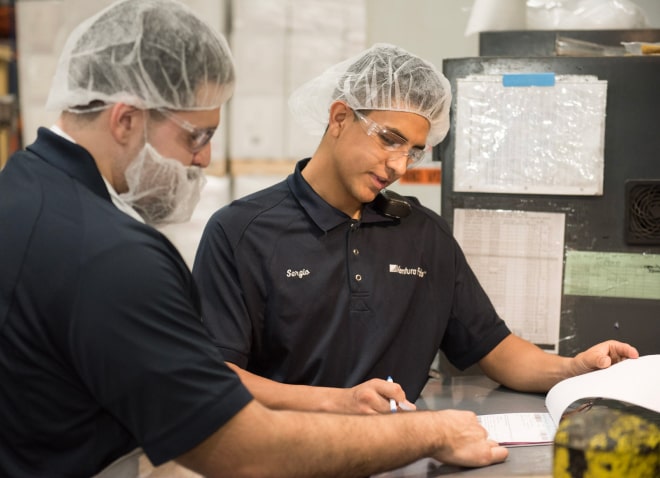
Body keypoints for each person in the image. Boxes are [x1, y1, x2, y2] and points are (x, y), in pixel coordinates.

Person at [0, 2, 512, 477]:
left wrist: (344, 403)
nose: (202, 159)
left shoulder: (20, 192)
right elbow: (243, 449)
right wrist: (427, 431)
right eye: (196, 136)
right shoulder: (112, 254)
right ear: (126, 119)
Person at [192, 43, 639, 415]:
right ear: (339, 118)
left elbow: (495, 349)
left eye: (414, 150)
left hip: (399, 455)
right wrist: (337, 404)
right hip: (283, 458)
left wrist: (573, 369)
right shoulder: (241, 232)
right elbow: (213, 376)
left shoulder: (425, 235)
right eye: (389, 139)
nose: (399, 166)